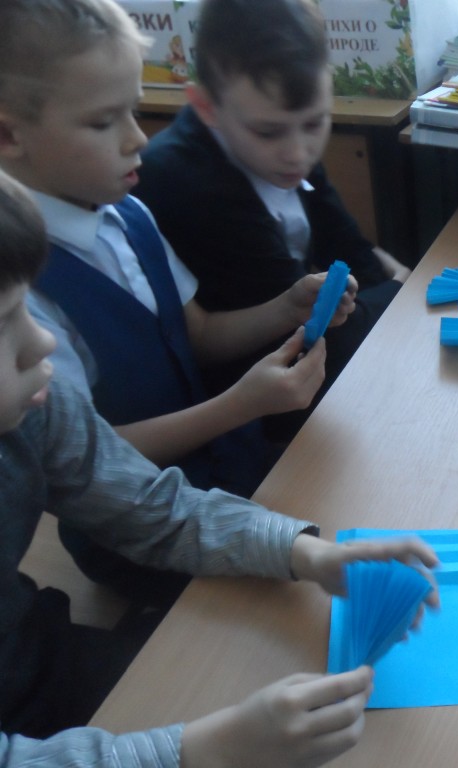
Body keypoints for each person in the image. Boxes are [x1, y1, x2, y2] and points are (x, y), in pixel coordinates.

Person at [0, 168, 439, 766]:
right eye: (4, 323)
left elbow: (149, 507)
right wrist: (203, 749)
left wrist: (308, 555)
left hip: (33, 655)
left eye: (26, 309)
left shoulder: (35, 406)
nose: (42, 342)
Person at [0, 0, 359, 601]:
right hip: (135, 539)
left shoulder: (128, 216)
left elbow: (198, 332)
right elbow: (86, 461)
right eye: (103, 122)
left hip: (230, 477)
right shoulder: (20, 295)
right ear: (10, 134)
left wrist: (286, 308)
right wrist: (237, 406)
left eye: (134, 110)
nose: (138, 137)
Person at [133, 0, 410, 442]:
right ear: (206, 107)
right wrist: (399, 289)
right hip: (252, 413)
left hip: (312, 372)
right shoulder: (186, 182)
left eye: (315, 123)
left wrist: (390, 285)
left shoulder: (279, 134)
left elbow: (350, 250)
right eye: (269, 132)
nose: (298, 153)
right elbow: (317, 334)